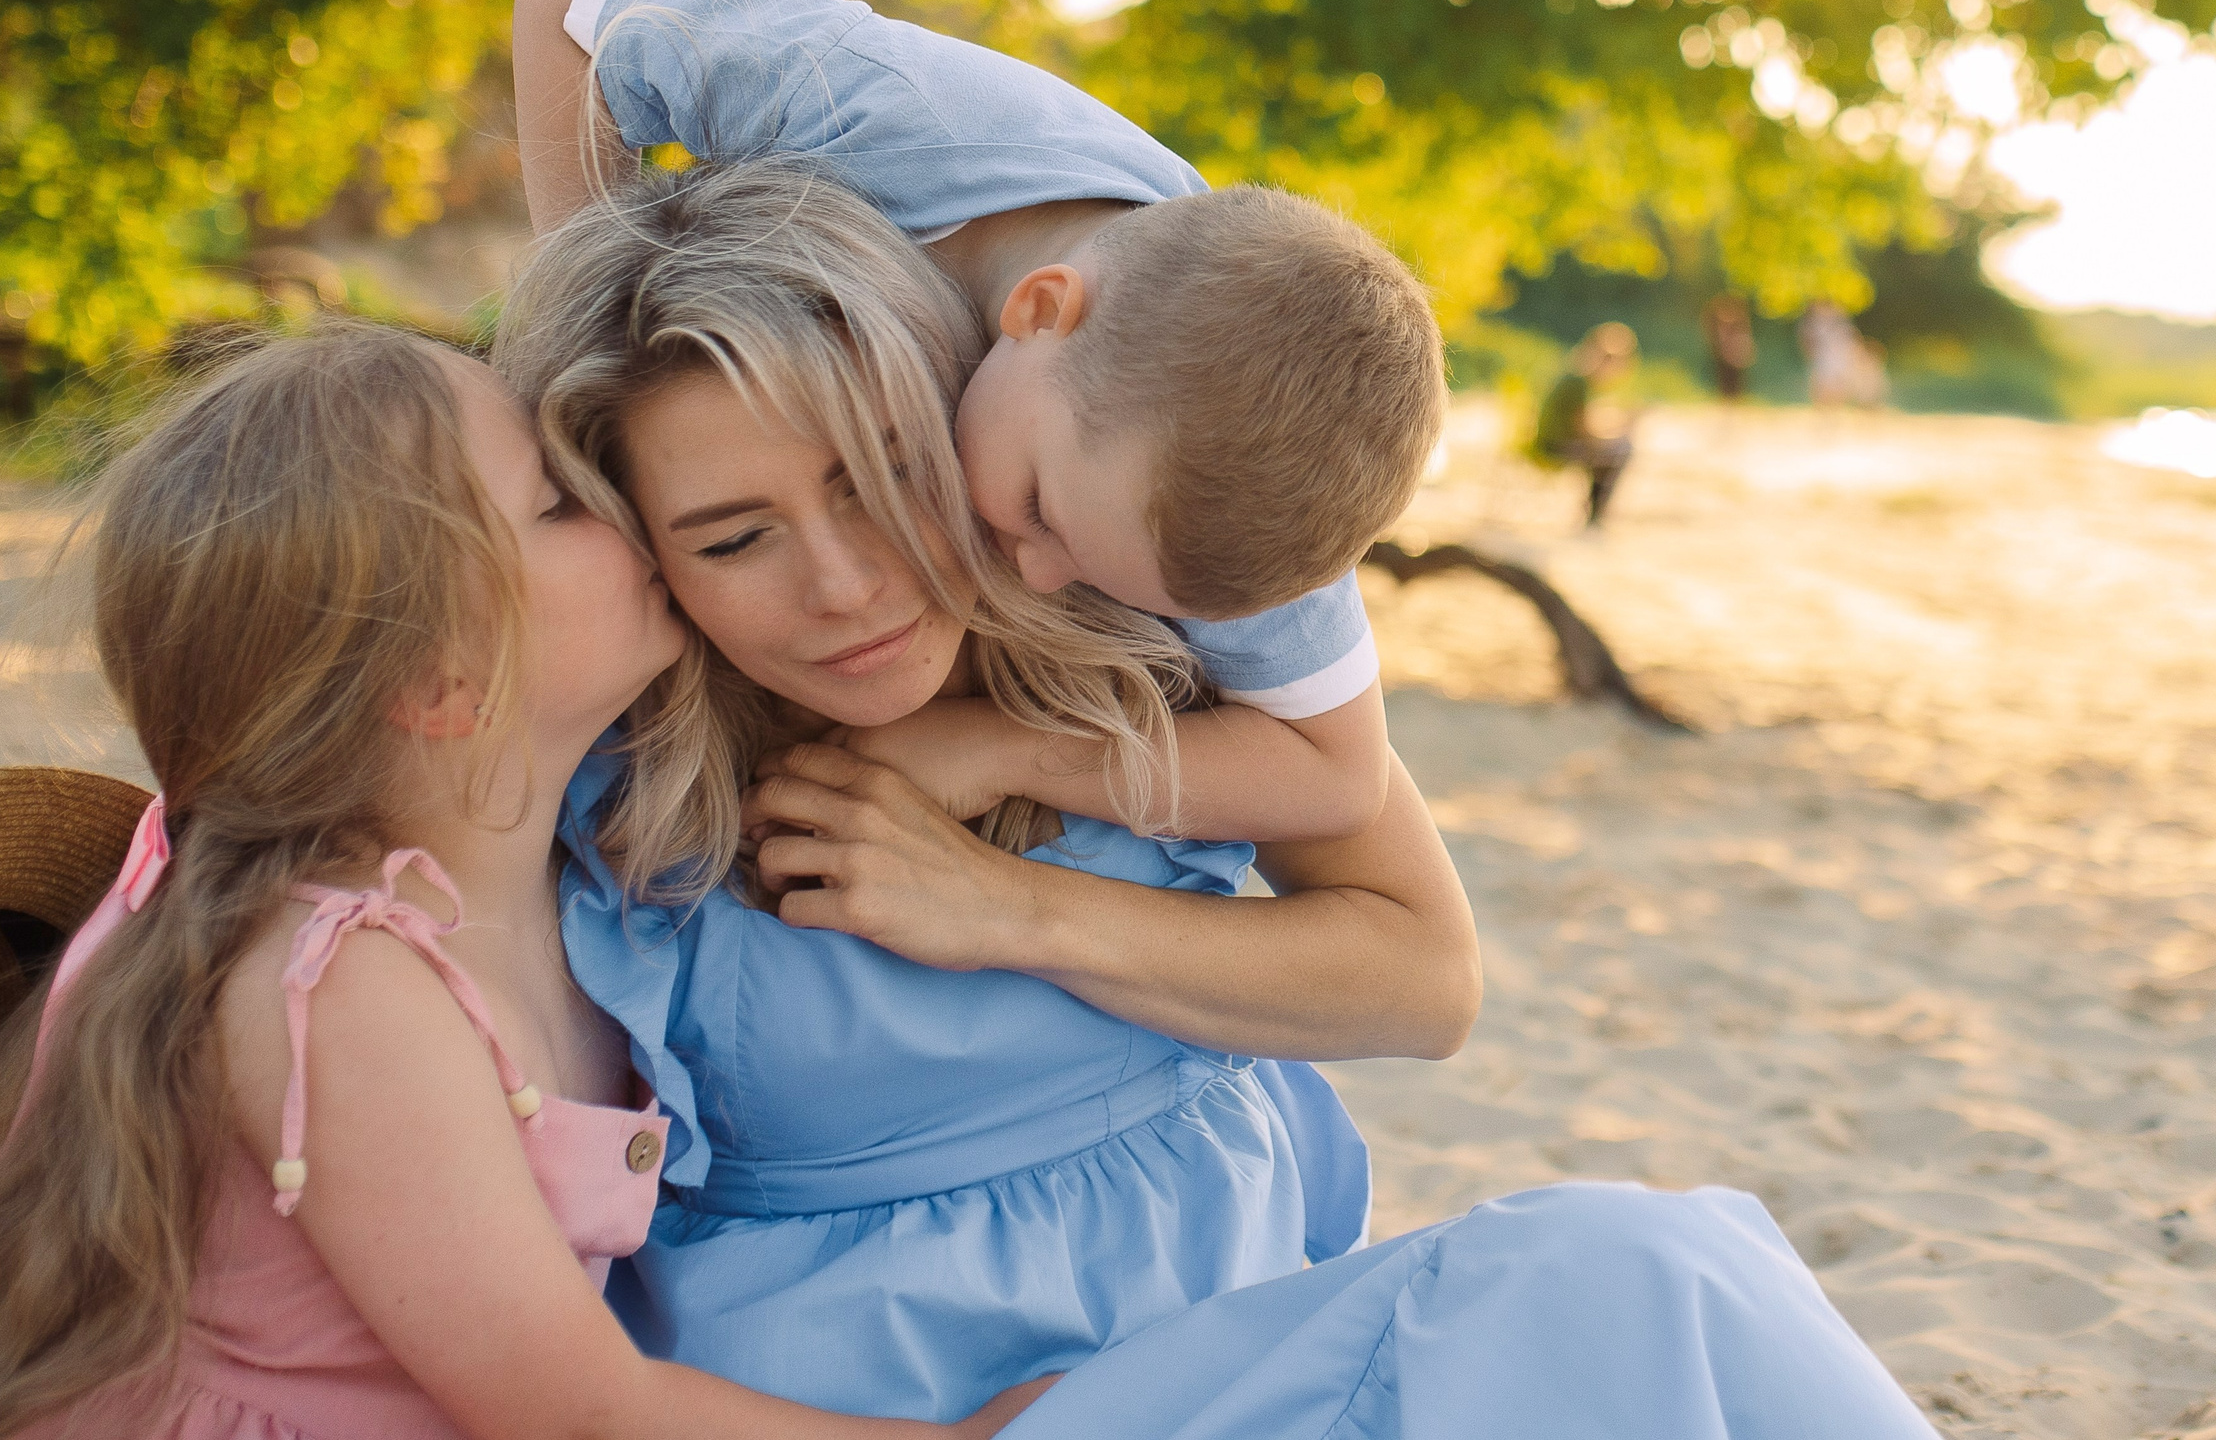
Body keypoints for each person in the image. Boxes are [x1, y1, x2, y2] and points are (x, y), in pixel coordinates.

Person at [492, 164, 1935, 1438]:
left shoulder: (1148, 598)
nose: (846, 584)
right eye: (733, 537)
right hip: (889, 1397)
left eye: (877, 481)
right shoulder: (603, 774)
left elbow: (1424, 982)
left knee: (1660, 1283)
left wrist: (1011, 906)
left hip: (1243, 1351)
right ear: (642, 553)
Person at [0, 327, 1051, 1440]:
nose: (613, 492)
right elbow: (575, 1407)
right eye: (551, 498)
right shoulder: (353, 990)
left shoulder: (561, 880)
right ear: (440, 684)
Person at [510, 0, 1436, 852]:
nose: (1028, 571)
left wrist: (1005, 749)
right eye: (1037, 512)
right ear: (1038, 308)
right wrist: (592, 313)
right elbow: (571, 5)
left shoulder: (1232, 452)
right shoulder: (884, 112)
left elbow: (1338, 777)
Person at [1533, 322, 1639, 527]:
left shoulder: (1576, 377)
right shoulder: (1578, 382)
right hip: (1554, 447)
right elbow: (1585, 430)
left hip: (1553, 441)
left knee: (1615, 449)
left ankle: (1595, 511)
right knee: (1621, 450)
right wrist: (1615, 435)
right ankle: (1596, 514)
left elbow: (1583, 421)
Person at [1703, 293, 1757, 402]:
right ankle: (1727, 401)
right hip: (1724, 354)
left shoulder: (1738, 322)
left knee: (1735, 380)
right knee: (1725, 379)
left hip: (1734, 354)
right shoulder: (1720, 322)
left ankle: (1735, 401)